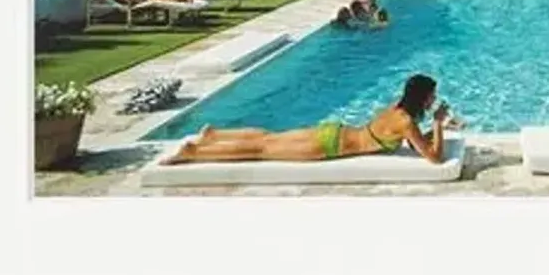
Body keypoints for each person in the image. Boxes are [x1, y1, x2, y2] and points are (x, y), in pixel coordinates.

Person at [162, 74, 452, 165]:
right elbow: (434, 158)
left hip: (334, 132)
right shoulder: (405, 122)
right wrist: (438, 125)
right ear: (422, 96)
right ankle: (194, 152)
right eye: (432, 95)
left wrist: (434, 129)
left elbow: (416, 143)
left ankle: (214, 135)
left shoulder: (398, 110)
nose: (433, 100)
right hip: (327, 147)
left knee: (268, 138)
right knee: (261, 151)